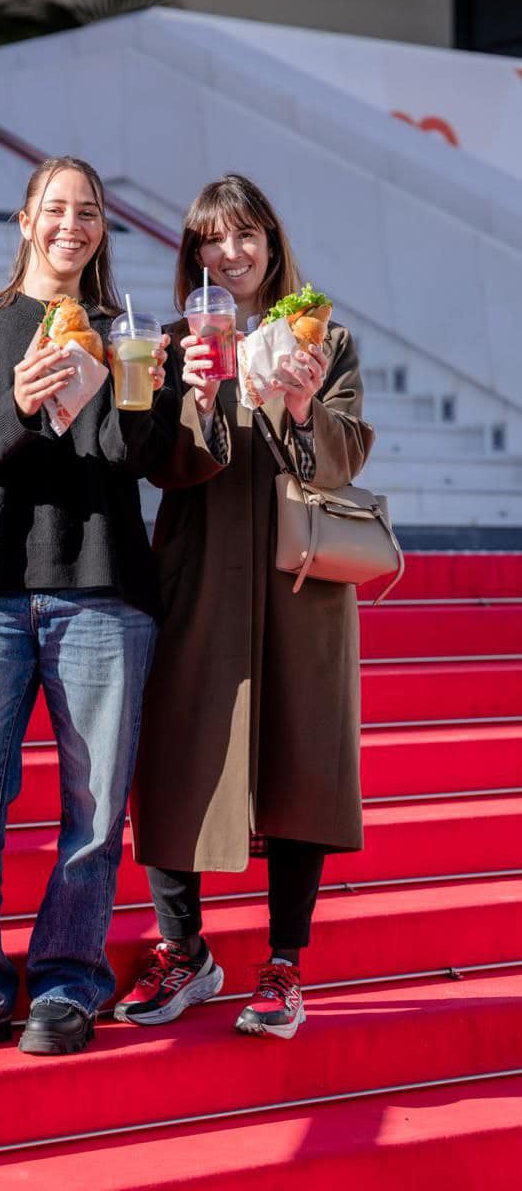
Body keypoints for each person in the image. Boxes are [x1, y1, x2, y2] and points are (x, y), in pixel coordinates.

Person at [0, 155, 175, 1057]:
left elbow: (141, 451)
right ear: (25, 220)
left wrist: (120, 390)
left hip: (103, 588)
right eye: (55, 208)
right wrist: (18, 402)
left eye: (88, 210)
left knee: (94, 807)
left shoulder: (127, 330)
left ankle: (68, 979)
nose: (71, 223)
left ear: (101, 228)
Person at [115, 174, 375, 1039]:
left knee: (301, 757)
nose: (230, 254)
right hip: (200, 568)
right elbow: (164, 465)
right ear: (192, 256)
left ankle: (283, 966)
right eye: (210, 242)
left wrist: (301, 407)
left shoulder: (324, 337)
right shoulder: (178, 343)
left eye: (244, 236)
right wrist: (195, 393)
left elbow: (342, 459)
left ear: (271, 239)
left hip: (301, 579)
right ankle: (184, 951)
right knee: (179, 747)